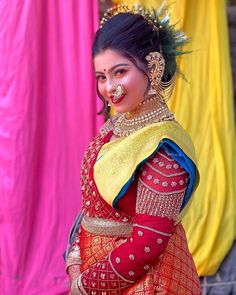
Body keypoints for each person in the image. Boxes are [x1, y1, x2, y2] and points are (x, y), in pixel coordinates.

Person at [66, 4, 201, 295]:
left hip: (149, 283)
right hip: (100, 276)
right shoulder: (114, 127)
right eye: (102, 77)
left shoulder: (164, 148)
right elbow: (92, 204)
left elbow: (147, 246)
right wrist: (75, 260)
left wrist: (85, 286)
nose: (110, 88)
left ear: (152, 67)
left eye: (120, 72)